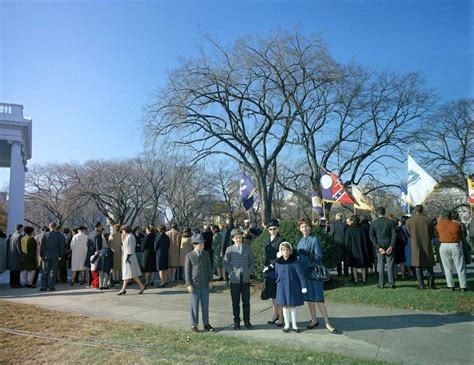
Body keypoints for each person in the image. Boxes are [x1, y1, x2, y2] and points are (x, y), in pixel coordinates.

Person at [297, 217, 336, 333]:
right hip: (304, 274)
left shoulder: (314, 240)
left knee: (319, 298)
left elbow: (319, 257)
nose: (305, 228)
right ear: (299, 228)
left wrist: (308, 254)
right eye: (302, 226)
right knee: (309, 298)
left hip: (314, 273)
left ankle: (327, 323)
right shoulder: (300, 241)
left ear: (310, 227)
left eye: (306, 226)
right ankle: (314, 319)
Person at [224, 228, 255, 330]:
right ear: (233, 239)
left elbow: (252, 261)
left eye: (240, 238)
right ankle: (236, 322)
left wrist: (249, 272)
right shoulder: (229, 249)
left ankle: (247, 321)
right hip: (234, 279)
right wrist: (231, 273)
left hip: (245, 278)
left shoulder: (247, 248)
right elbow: (226, 263)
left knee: (246, 301)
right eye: (236, 238)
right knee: (235, 302)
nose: (238, 240)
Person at [185, 232, 215, 333]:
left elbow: (209, 268)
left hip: (205, 284)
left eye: (203, 244)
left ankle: (206, 323)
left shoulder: (206, 254)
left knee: (205, 305)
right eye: (200, 244)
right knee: (194, 306)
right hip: (195, 284)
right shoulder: (189, 255)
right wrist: (189, 284)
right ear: (194, 244)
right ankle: (194, 324)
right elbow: (187, 271)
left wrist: (211, 280)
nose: (202, 246)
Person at [275, 241, 307, 333]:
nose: (285, 252)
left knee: (292, 306)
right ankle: (287, 324)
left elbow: (300, 274)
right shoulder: (278, 262)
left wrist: (303, 286)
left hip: (293, 286)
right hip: (282, 287)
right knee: (285, 306)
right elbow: (276, 273)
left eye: (287, 250)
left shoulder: (295, 262)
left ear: (290, 251)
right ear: (281, 251)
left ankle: (294, 324)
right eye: (283, 250)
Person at [435, 210, 468, 291]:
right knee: (460, 266)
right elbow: (461, 235)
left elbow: (437, 235)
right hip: (455, 244)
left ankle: (450, 285)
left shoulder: (438, 225)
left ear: (442, 217)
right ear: (451, 216)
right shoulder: (457, 225)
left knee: (447, 267)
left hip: (443, 245)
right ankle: (463, 286)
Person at [406, 205, 437, 290]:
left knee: (417, 265)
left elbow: (409, 233)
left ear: (414, 211)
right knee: (429, 264)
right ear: (422, 210)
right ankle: (431, 284)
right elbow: (431, 233)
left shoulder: (409, 221)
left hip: (415, 244)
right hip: (426, 243)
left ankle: (421, 285)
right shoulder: (428, 220)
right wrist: (427, 238)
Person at [262, 218, 285, 326]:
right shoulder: (267, 240)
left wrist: (272, 264)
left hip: (277, 269)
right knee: (272, 294)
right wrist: (265, 265)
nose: (272, 231)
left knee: (278, 293)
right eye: (270, 229)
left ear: (278, 228)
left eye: (274, 229)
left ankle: (281, 316)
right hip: (269, 270)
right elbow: (266, 256)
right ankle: (275, 314)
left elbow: (282, 255)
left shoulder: (281, 240)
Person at [369, 207, 396, 289]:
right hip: (388, 244)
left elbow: (371, 236)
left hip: (379, 245)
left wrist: (378, 247)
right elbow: (394, 235)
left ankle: (381, 284)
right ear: (384, 213)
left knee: (381, 266)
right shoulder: (391, 222)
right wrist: (391, 246)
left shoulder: (374, 223)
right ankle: (391, 283)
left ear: (377, 213)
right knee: (390, 265)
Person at [117, 226, 145, 295]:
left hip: (129, 257)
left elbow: (131, 247)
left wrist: (128, 257)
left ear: (125, 230)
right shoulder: (128, 237)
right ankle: (140, 286)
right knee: (130, 273)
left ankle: (124, 289)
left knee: (130, 273)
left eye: (122, 230)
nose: (122, 231)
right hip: (128, 257)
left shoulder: (130, 237)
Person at [345, 215, 371, 284]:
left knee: (354, 265)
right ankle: (364, 279)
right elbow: (366, 240)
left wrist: (347, 249)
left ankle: (356, 280)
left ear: (352, 221)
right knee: (363, 265)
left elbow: (347, 241)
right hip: (362, 248)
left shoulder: (349, 229)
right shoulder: (363, 229)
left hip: (353, 250)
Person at [40, 222, 66, 292]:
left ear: (49, 226)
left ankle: (44, 286)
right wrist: (60, 255)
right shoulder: (60, 235)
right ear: (55, 227)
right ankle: (51, 286)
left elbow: (42, 246)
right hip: (55, 254)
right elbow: (62, 247)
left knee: (45, 271)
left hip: (46, 254)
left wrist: (41, 255)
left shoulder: (45, 234)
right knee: (53, 271)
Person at [330, 213, 349, 277]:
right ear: (342, 217)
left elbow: (331, 234)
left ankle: (339, 273)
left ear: (337, 217)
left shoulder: (333, 224)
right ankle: (346, 273)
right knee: (345, 260)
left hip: (336, 243)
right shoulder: (345, 225)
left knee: (338, 260)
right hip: (344, 244)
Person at [8, 224, 23, 288]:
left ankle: (12, 283)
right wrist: (21, 255)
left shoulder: (13, 235)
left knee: (12, 270)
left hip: (11, 254)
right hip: (17, 255)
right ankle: (17, 284)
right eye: (22, 228)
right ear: (20, 228)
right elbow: (19, 247)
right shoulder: (19, 236)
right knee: (17, 270)